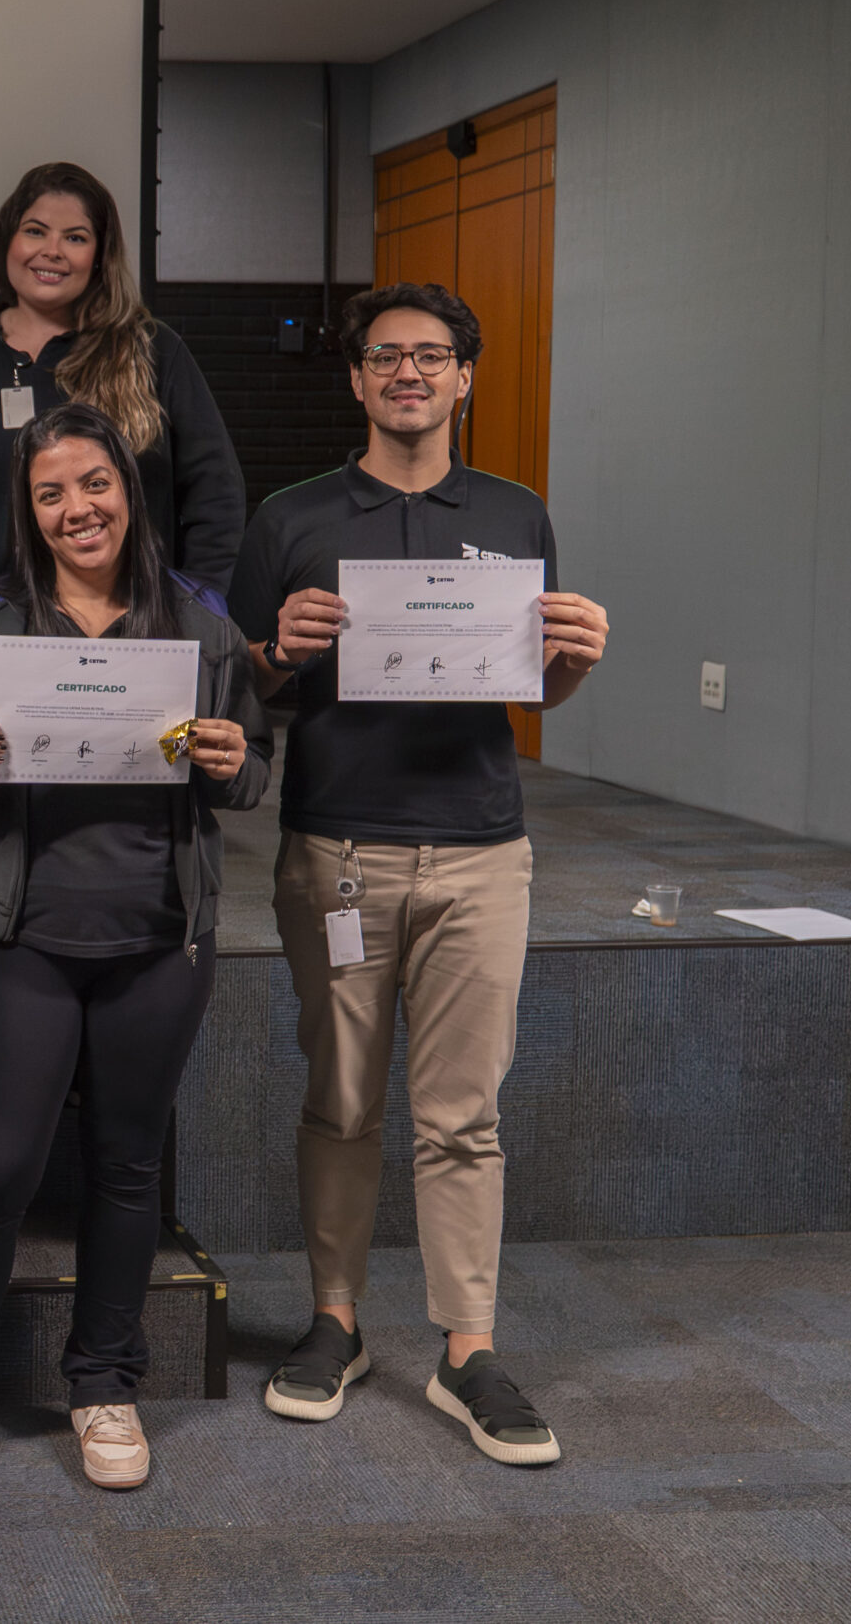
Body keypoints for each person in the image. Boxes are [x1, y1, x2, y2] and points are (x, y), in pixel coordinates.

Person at [231, 282, 609, 1466]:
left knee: (462, 1116)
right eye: (384, 356)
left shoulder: (513, 511)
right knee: (340, 1101)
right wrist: (274, 653)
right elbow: (242, 691)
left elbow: (533, 690)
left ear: (463, 379)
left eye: (430, 356)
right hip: (335, 850)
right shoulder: (291, 516)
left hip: (481, 852)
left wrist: (575, 668)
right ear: (354, 380)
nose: (407, 373)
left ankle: (465, 1347)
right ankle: (334, 1323)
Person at [0, 402, 270, 1502]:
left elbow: (249, 781)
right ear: (29, 509)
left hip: (159, 937)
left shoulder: (199, 623)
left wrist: (234, 757)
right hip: (26, 936)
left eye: (92, 485)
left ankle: (104, 1380)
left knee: (126, 1169)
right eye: (50, 493)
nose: (76, 510)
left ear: (128, 488)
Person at [0, 161, 246, 592]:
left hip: (131, 623)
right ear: (8, 240)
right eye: (35, 231)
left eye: (75, 238)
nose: (52, 251)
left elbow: (216, 495)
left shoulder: (152, 350)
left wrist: (198, 606)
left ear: (100, 257)